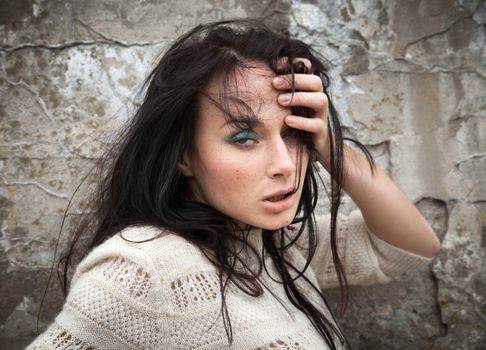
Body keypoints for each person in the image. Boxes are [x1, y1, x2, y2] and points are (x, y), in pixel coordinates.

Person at [27, 19, 440, 350]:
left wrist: (330, 146)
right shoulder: (141, 271)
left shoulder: (277, 244)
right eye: (244, 138)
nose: (285, 166)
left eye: (293, 134)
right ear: (183, 155)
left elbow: (410, 249)